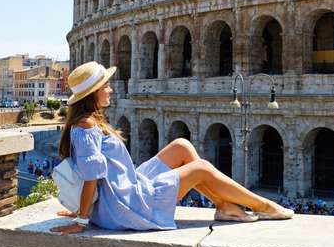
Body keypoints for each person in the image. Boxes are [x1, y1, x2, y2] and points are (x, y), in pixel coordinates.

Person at [51, 62, 293, 235]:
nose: (111, 89)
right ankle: (263, 206)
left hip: (126, 187)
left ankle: (225, 205)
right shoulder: (86, 125)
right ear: (93, 93)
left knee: (182, 146)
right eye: (106, 86)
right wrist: (82, 220)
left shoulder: (89, 121)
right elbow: (91, 176)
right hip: (126, 205)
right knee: (201, 168)